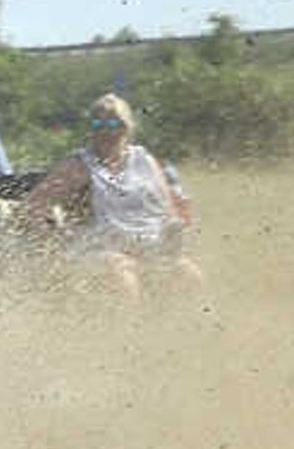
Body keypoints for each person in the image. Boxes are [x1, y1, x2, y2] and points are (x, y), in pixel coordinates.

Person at [26, 92, 200, 296]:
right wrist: (52, 248)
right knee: (121, 273)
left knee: (187, 273)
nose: (107, 132)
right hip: (98, 250)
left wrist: (174, 232)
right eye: (99, 125)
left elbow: (168, 209)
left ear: (127, 127)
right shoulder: (79, 165)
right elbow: (33, 206)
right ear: (91, 129)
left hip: (148, 245)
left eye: (115, 125)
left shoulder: (144, 160)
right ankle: (127, 326)